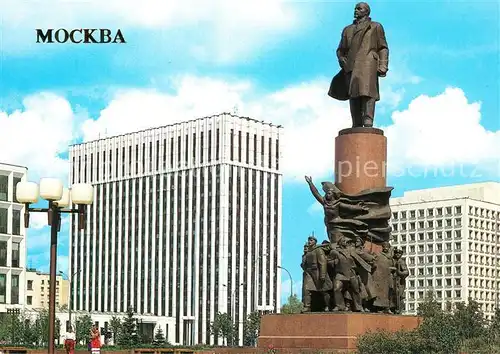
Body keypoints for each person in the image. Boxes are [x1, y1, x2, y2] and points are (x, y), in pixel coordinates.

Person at [328, 2, 389, 128]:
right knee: (353, 94)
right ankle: (356, 122)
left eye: (359, 8)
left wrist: (383, 65)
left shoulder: (375, 26)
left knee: (367, 92)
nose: (356, 10)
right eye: (355, 8)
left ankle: (368, 120)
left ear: (367, 11)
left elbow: (383, 48)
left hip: (368, 64)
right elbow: (341, 49)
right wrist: (341, 59)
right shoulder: (347, 29)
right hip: (350, 65)